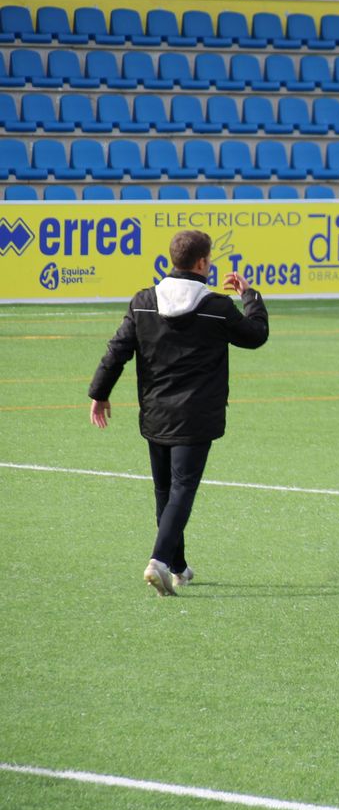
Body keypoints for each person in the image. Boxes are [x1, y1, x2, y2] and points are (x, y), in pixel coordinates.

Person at [88, 229, 269, 595]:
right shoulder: (217, 307)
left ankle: (178, 566)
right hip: (196, 416)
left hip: (155, 412)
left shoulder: (143, 302)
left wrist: (99, 392)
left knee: (164, 491)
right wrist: (249, 295)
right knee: (182, 490)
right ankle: (158, 560)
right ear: (202, 263)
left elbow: (117, 350)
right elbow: (256, 335)